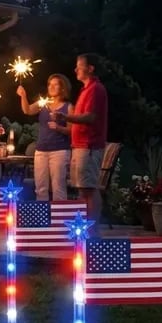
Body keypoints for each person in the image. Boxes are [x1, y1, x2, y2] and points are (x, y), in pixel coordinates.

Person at [54, 53, 109, 223]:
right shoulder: (86, 90)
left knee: (89, 189)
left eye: (79, 65)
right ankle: (85, 226)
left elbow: (90, 117)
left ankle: (92, 231)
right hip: (80, 146)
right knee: (82, 189)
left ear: (90, 68)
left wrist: (66, 118)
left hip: (89, 146)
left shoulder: (96, 89)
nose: (75, 69)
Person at [17, 73, 72, 201]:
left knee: (58, 188)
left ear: (62, 88)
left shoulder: (68, 107)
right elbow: (27, 110)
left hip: (59, 151)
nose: (51, 87)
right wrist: (23, 96)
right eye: (49, 84)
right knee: (40, 188)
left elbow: (72, 131)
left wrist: (58, 128)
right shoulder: (43, 103)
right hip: (41, 151)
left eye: (55, 84)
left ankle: (59, 218)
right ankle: (43, 219)